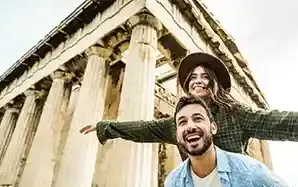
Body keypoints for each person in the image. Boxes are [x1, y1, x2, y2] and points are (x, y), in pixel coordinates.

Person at [80, 52, 298, 160]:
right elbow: (143, 128)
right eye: (193, 77)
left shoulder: (236, 113)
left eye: (205, 76)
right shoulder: (179, 123)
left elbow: (276, 122)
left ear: (214, 83)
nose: (198, 80)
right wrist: (106, 126)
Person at [165, 95, 298, 187]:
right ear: (177, 135)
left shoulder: (250, 171)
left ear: (213, 127)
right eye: (182, 122)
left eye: (198, 118)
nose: (190, 126)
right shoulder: (173, 183)